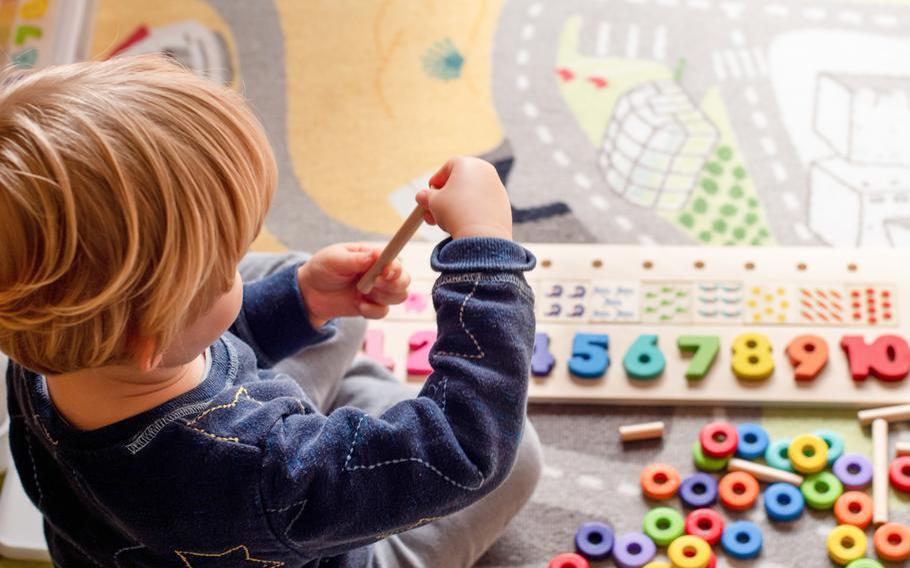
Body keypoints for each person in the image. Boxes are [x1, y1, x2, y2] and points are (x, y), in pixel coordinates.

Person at [0, 54, 542, 567]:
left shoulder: (37, 342)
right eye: (229, 265)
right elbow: (466, 448)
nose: (240, 266)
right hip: (281, 520)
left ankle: (322, 369)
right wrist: (483, 252)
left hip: (155, 527)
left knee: (317, 296)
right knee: (519, 456)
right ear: (154, 332)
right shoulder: (266, 472)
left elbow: (182, 345)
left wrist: (300, 300)